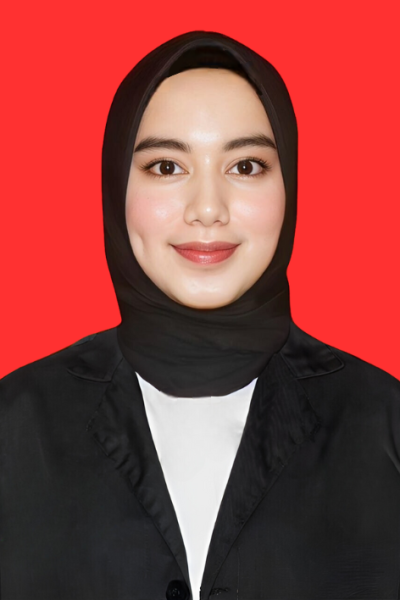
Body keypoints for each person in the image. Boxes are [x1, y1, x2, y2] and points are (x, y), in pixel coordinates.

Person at [1, 30, 400, 600]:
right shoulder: (15, 426)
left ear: (289, 186)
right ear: (116, 186)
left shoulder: (384, 423)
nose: (208, 209)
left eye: (246, 166)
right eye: (167, 167)